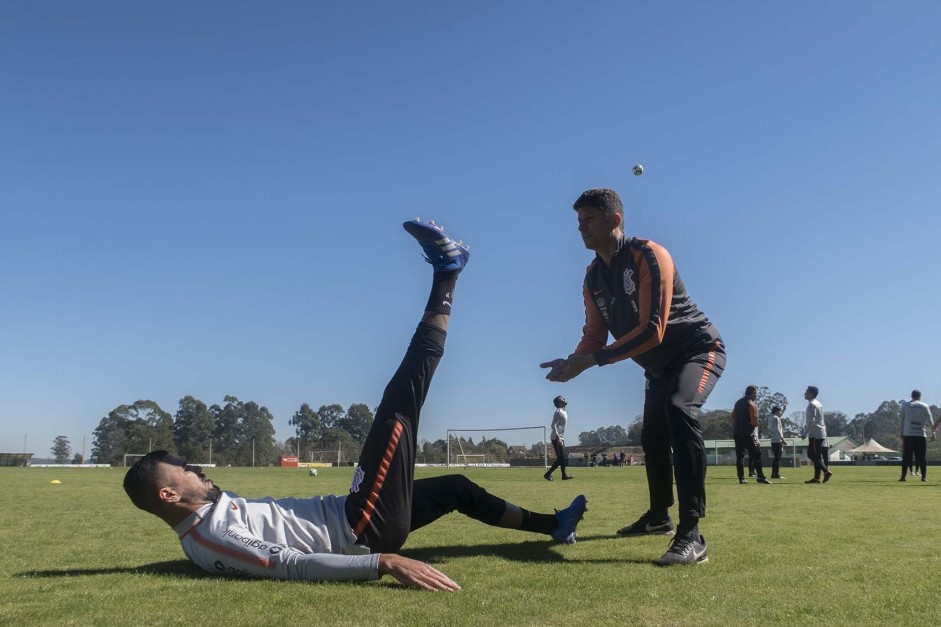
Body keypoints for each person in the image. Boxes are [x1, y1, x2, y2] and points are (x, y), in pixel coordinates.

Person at [123, 220, 587, 591]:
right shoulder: (211, 538)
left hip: (353, 511)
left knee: (456, 487)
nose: (197, 470)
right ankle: (448, 272)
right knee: (400, 401)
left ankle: (555, 525)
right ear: (168, 495)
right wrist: (382, 562)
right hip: (360, 528)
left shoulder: (208, 524)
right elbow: (289, 564)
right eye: (184, 469)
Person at [540, 188, 725, 566]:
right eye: (578, 222)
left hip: (697, 351)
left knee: (680, 411)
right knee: (653, 437)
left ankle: (692, 534)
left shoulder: (649, 255)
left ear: (614, 220)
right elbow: (595, 335)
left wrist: (588, 361)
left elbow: (652, 330)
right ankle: (658, 517)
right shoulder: (593, 277)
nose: (581, 229)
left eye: (588, 220)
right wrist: (572, 362)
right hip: (657, 368)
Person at [731, 386, 771, 485]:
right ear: (753, 393)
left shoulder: (738, 402)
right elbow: (754, 422)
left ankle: (741, 478)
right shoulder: (752, 404)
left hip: (737, 432)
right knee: (756, 455)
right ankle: (760, 476)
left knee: (739, 456)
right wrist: (757, 422)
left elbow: (732, 416)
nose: (756, 395)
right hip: (748, 434)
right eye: (756, 393)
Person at [899, 390, 933, 482]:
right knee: (922, 457)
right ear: (920, 396)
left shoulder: (905, 405)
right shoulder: (925, 406)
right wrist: (933, 433)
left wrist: (901, 433)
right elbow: (930, 420)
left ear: (911, 396)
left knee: (906, 456)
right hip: (921, 434)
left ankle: (903, 477)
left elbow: (901, 420)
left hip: (908, 434)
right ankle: (924, 477)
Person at [802, 386, 831, 484]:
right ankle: (816, 478)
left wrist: (805, 433)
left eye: (806, 392)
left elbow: (811, 420)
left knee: (811, 454)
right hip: (820, 432)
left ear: (811, 393)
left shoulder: (811, 405)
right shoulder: (819, 403)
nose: (804, 393)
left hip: (815, 433)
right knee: (817, 456)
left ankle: (825, 471)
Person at [544, 395, 573, 481]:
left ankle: (564, 475)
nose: (565, 399)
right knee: (561, 457)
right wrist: (558, 437)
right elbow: (553, 425)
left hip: (561, 437)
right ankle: (548, 474)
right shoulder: (558, 412)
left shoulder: (564, 411)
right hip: (556, 438)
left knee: (562, 457)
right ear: (559, 402)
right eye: (562, 398)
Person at [767, 406, 785, 480]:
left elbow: (769, 428)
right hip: (778, 440)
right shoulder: (776, 418)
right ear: (777, 411)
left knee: (776, 457)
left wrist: (784, 410)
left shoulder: (770, 417)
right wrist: (782, 439)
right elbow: (778, 429)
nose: (780, 413)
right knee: (778, 457)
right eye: (780, 411)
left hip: (773, 439)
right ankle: (776, 474)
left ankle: (773, 473)